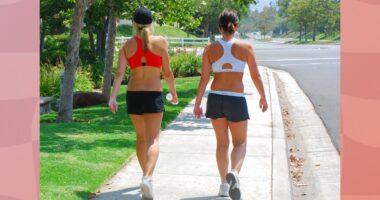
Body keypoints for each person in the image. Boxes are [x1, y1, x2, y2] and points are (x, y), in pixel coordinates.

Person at [193, 10, 268, 200]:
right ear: (237, 27)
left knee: (222, 144)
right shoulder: (246, 47)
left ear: (219, 28)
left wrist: (198, 103)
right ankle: (234, 172)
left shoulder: (210, 49)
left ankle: (224, 186)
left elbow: (203, 79)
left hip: (215, 98)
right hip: (236, 99)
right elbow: (255, 76)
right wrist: (262, 96)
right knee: (240, 143)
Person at [108, 7, 177, 200]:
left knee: (140, 138)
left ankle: (146, 177)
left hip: (134, 95)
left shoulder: (127, 46)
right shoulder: (161, 42)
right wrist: (173, 93)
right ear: (152, 23)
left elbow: (120, 74)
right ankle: (147, 177)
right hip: (153, 94)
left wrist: (112, 98)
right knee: (153, 139)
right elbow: (168, 72)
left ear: (133, 24)